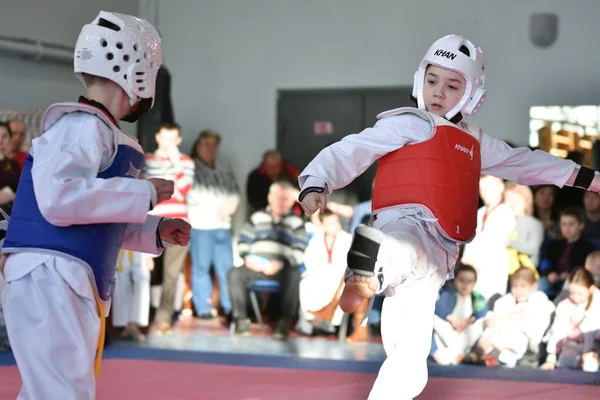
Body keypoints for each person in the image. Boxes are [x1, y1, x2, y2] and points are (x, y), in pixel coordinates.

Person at [298, 34, 600, 400]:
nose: (438, 93)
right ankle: (371, 266)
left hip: (439, 256)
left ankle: (373, 272)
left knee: (410, 363)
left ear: (472, 94)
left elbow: (527, 163)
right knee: (403, 250)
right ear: (419, 80)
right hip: (403, 224)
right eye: (432, 81)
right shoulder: (409, 123)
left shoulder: (475, 143)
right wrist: (317, 182)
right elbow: (353, 149)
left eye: (452, 85)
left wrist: (589, 179)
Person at [0, 11, 191, 400]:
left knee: (54, 389)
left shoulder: (100, 132)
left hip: (66, 274)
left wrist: (151, 229)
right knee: (61, 391)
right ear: (139, 72)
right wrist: (145, 193)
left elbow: (93, 214)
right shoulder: (78, 127)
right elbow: (59, 201)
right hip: (48, 272)